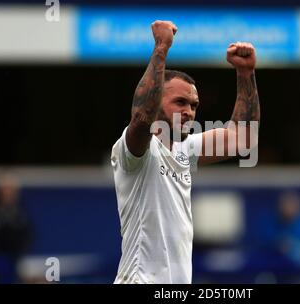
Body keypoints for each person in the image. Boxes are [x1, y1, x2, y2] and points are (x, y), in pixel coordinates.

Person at [111, 20, 260, 284]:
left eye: (193, 105)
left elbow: (243, 138)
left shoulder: (184, 148)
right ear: (158, 102)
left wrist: (245, 74)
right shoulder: (135, 153)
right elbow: (143, 117)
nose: (189, 111)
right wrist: (161, 48)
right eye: (180, 102)